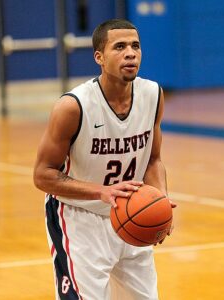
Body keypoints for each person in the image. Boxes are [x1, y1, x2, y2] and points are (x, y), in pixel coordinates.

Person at [33, 18, 176, 300]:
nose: (130, 53)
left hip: (130, 212)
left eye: (135, 46)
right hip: (79, 219)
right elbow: (43, 175)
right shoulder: (73, 106)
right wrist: (102, 191)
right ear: (99, 57)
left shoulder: (152, 95)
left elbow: (153, 159)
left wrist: (160, 198)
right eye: (119, 47)